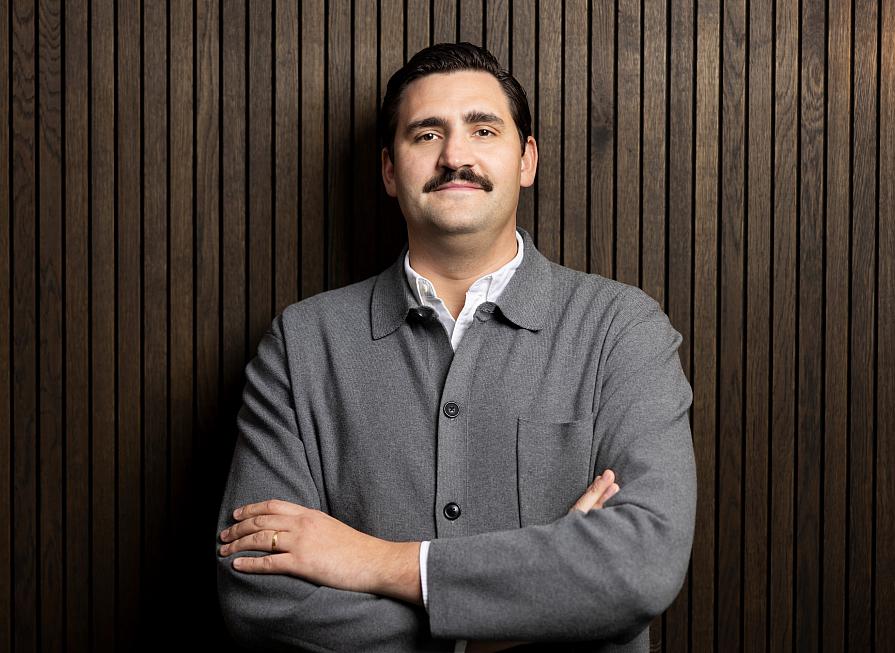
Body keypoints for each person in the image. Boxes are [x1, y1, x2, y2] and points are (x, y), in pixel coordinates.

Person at [215, 42, 696, 653]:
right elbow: (257, 592)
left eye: (483, 130)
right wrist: (527, 614)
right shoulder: (301, 344)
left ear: (526, 160)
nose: (455, 156)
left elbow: (642, 563)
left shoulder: (622, 330)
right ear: (390, 171)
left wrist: (374, 562)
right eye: (426, 135)